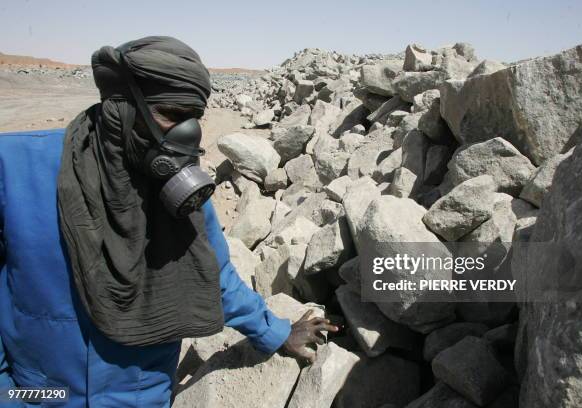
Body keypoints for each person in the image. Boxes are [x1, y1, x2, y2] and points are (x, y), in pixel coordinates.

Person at [0, 36, 337, 407]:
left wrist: (276, 332)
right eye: (173, 116)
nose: (187, 136)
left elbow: (214, 275)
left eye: (195, 118)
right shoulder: (15, 169)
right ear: (121, 104)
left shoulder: (176, 189)